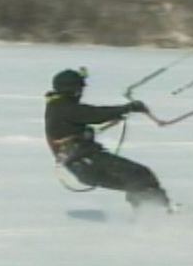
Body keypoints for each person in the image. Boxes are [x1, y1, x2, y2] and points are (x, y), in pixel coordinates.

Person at [44, 68, 171, 211]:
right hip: (87, 162)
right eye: (80, 88)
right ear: (71, 89)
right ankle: (156, 213)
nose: (81, 91)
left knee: (137, 180)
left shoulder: (58, 106)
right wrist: (127, 108)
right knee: (139, 175)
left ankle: (150, 213)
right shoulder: (63, 107)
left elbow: (87, 115)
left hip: (83, 165)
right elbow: (94, 114)